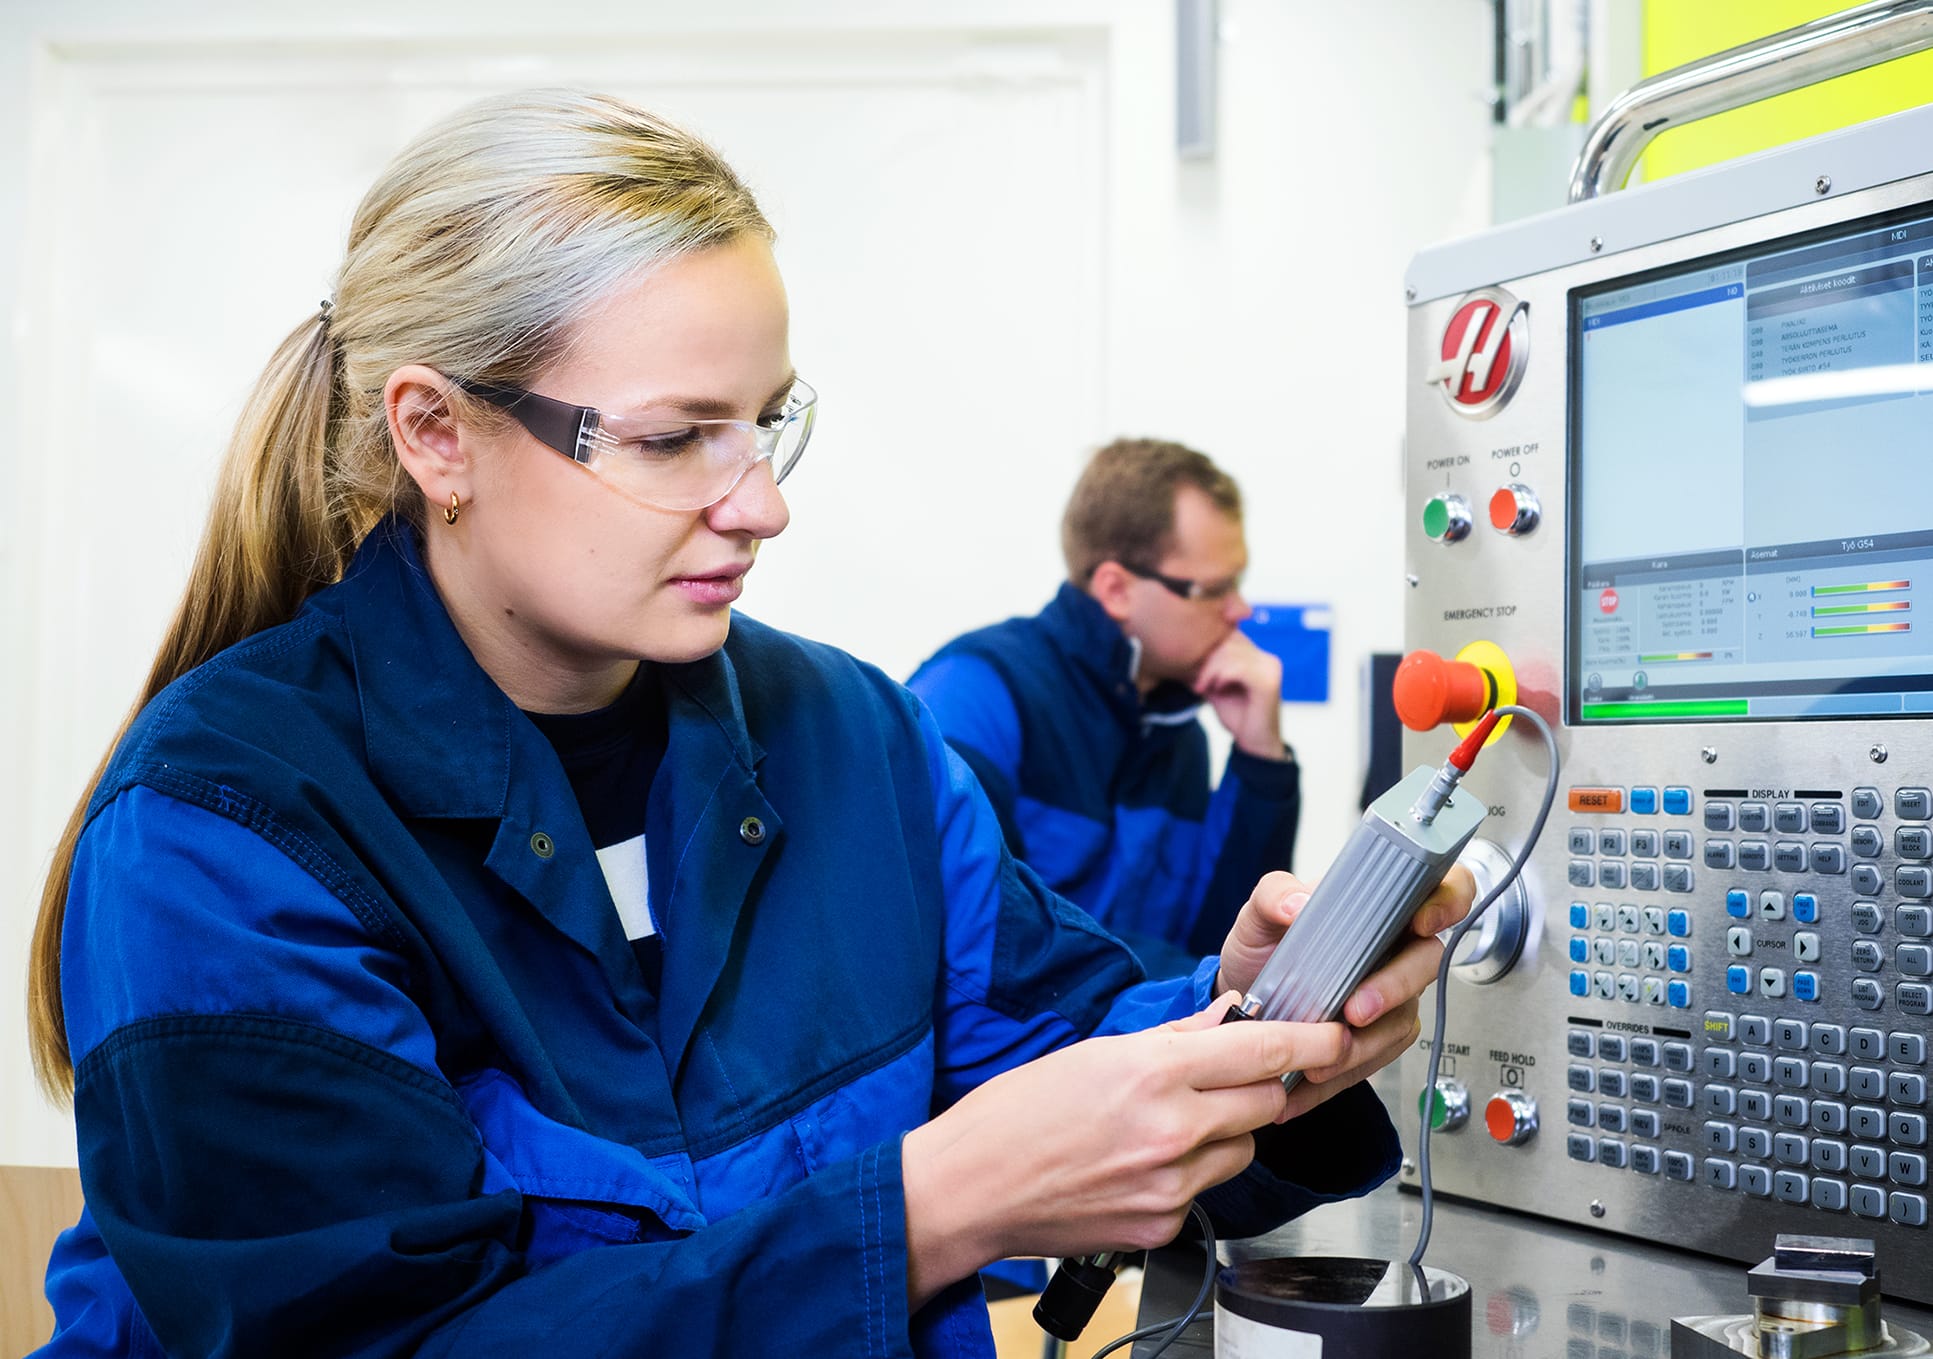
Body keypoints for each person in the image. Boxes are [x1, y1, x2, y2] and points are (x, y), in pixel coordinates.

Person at [25, 91, 1469, 1359]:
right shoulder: (224, 831)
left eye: (765, 424)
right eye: (671, 438)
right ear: (436, 433)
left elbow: (1056, 1039)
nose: (762, 501)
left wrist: (1252, 1031)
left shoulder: (852, 738)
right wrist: (929, 1207)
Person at [910, 439, 1298, 979]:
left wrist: (1262, 760)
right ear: (1116, 589)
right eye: (1216, 588)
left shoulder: (1180, 735)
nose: (1241, 610)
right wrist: (1196, 991)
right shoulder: (977, 692)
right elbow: (989, 946)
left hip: (1154, 1048)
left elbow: (1229, 951)